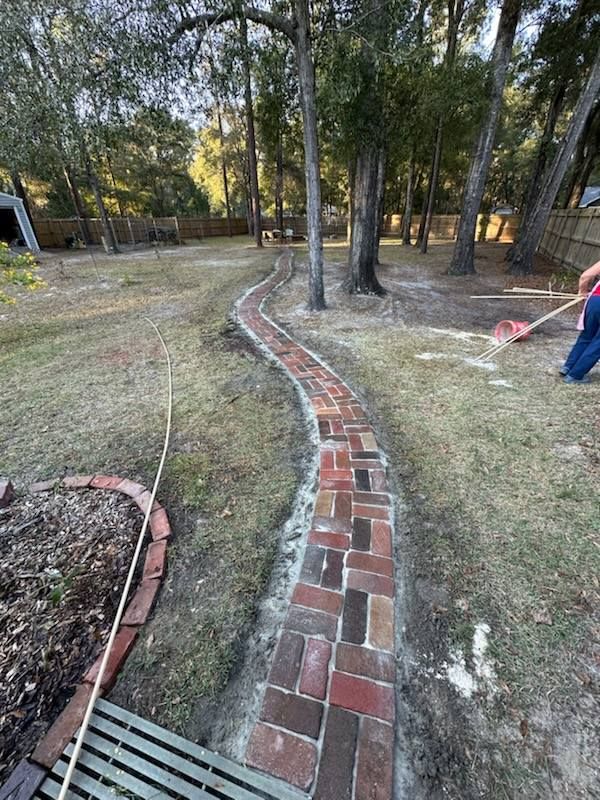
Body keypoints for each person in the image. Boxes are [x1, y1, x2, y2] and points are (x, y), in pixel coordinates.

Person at [561, 258, 600, 384]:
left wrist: (582, 291)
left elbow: (585, 276)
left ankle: (568, 367)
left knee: (586, 336)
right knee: (598, 344)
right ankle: (575, 375)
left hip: (594, 301)